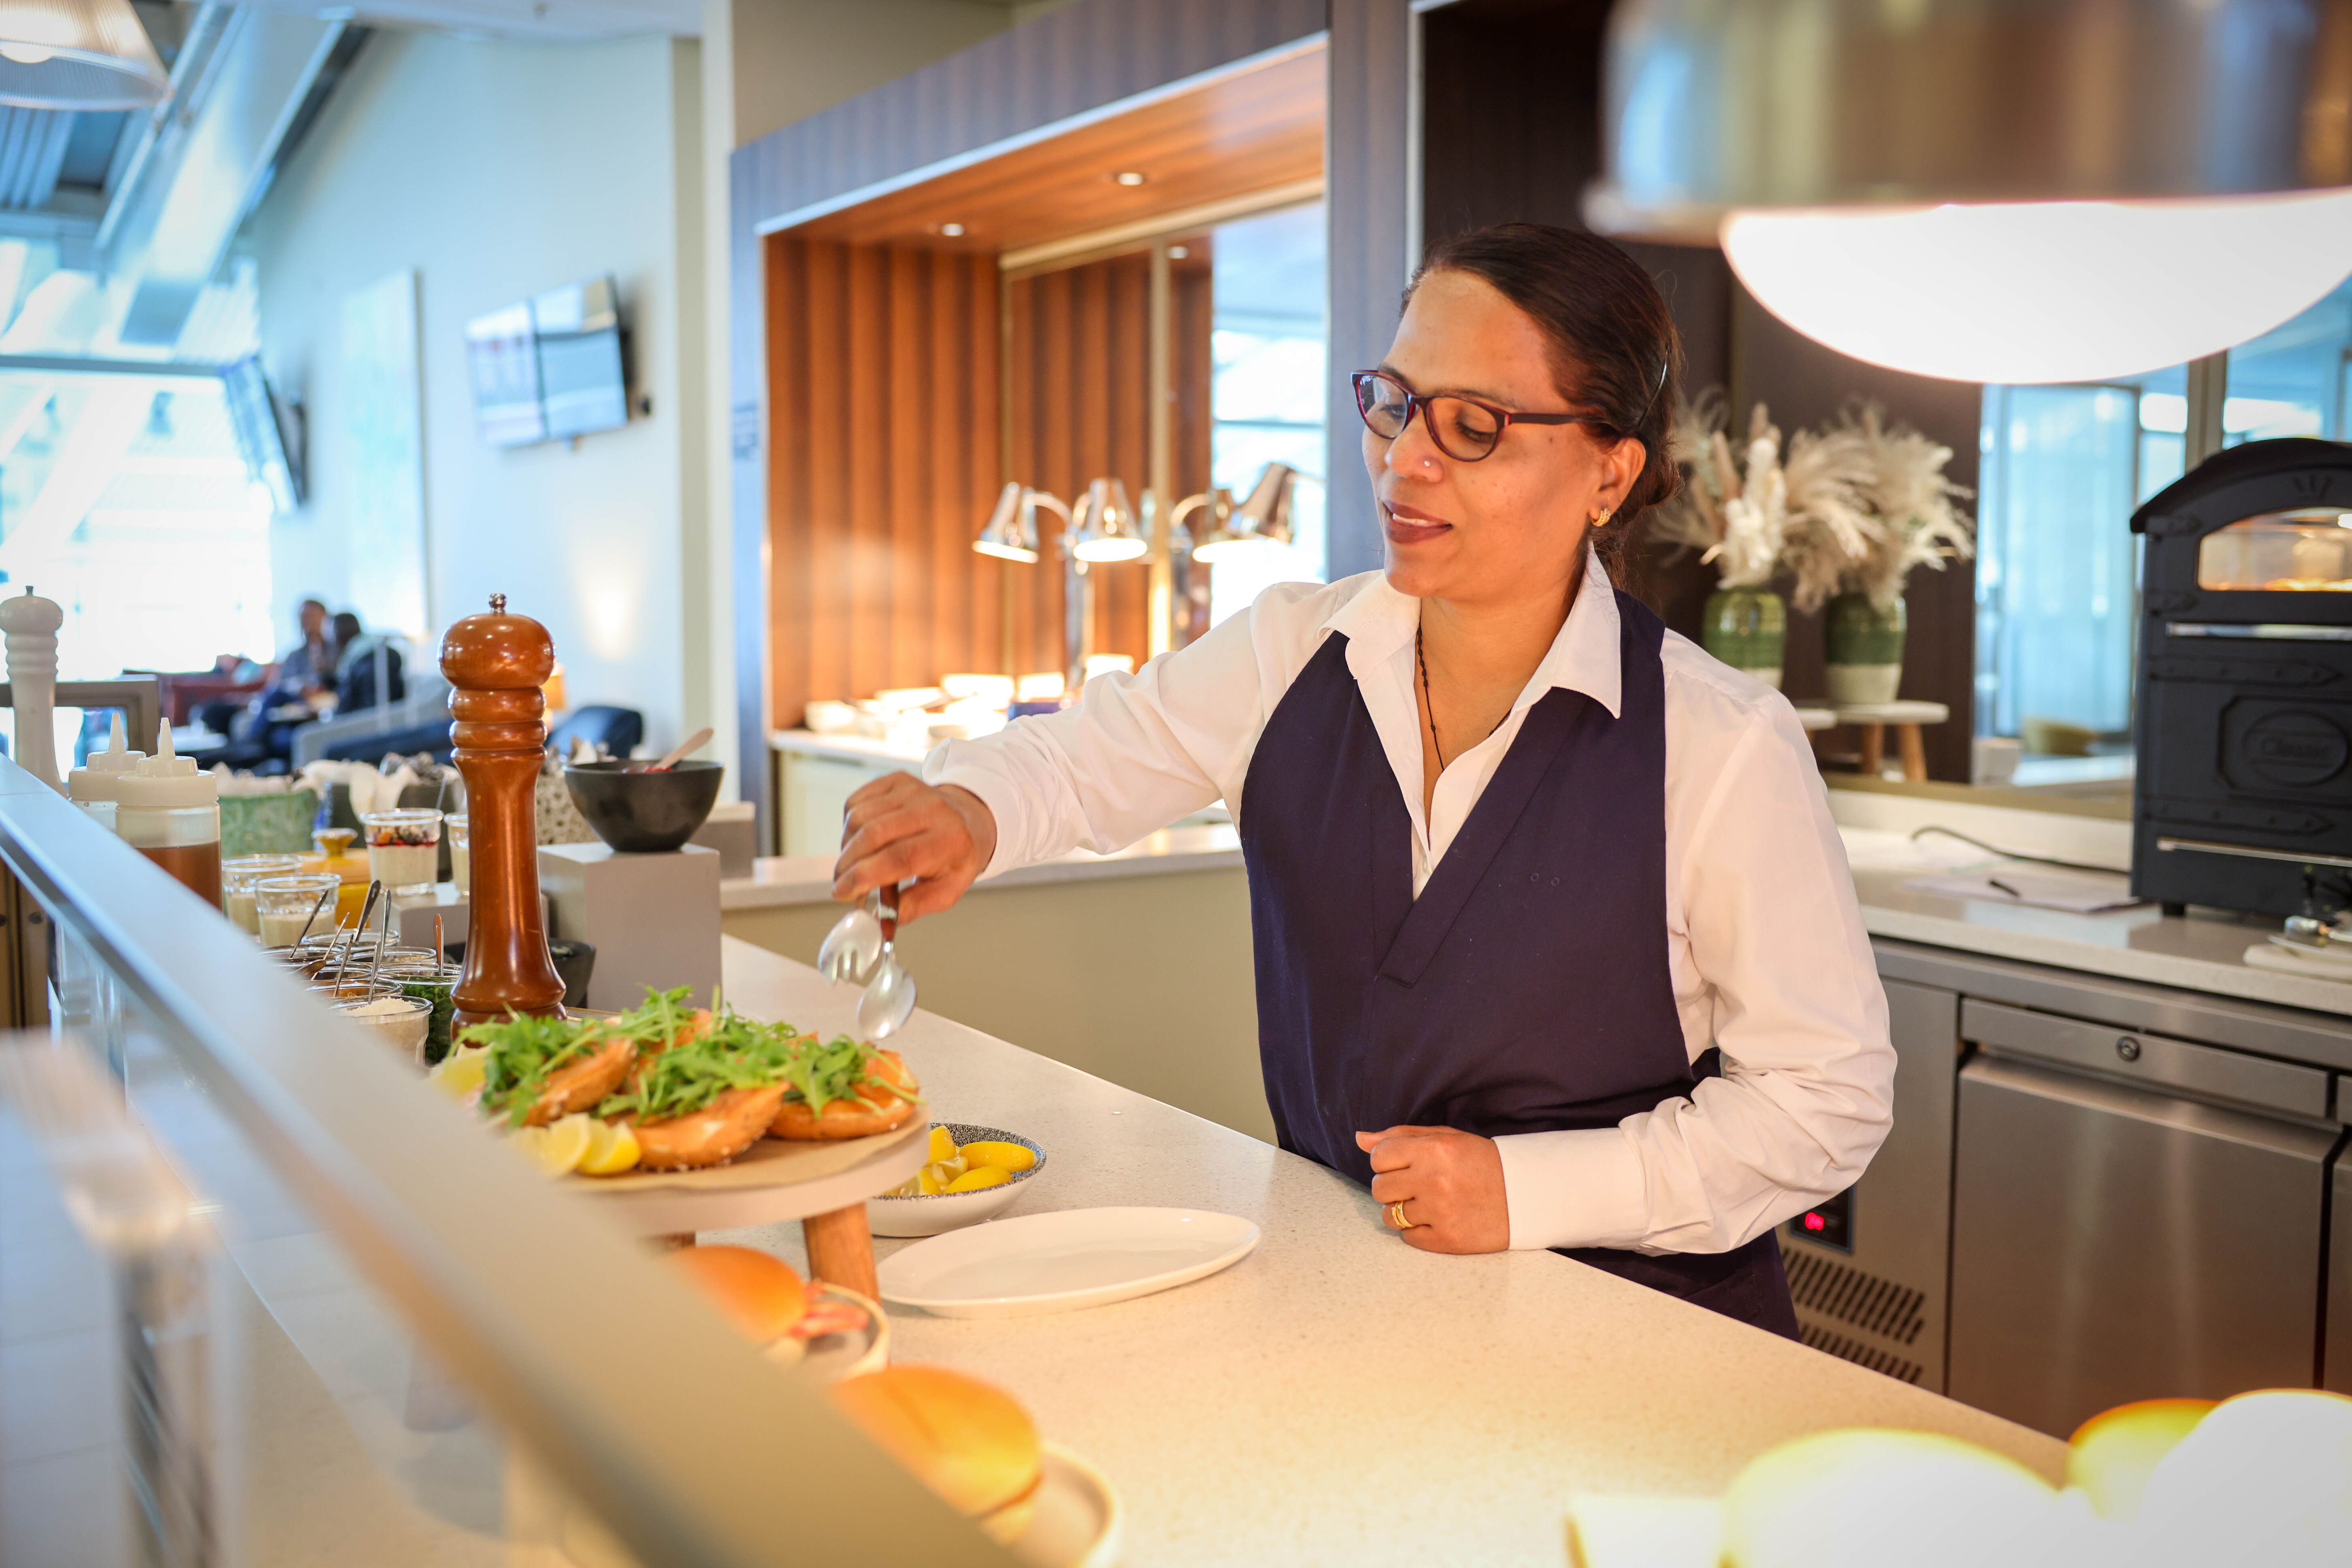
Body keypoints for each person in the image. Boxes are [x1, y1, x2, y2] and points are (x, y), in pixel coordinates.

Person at [830, 223, 1893, 1335]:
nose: (1406, 459)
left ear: (1609, 472)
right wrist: (967, 808)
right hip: (1354, 1296)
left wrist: (1528, 1191)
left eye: (1474, 426)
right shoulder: (1292, 650)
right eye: (1395, 401)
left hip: (1644, 1337)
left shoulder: (1722, 744)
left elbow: (1828, 1102)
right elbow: (1083, 760)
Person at [330, 610, 406, 715]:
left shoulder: (362, 664)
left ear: (337, 634)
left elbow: (346, 710)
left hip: (367, 726)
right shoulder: (378, 651)